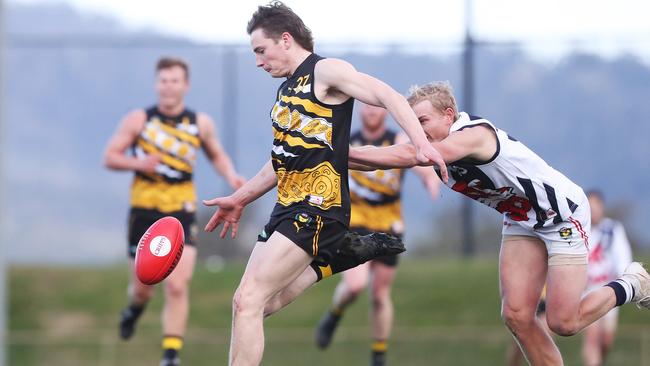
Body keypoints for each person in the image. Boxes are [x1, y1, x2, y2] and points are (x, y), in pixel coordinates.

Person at [201, 3, 448, 365]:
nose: (258, 61)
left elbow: (387, 96)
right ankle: (331, 261)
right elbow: (281, 158)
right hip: (286, 207)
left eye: (260, 50)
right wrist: (240, 198)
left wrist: (421, 144)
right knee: (257, 305)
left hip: (318, 207)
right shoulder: (286, 91)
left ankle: (332, 255)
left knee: (246, 302)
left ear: (285, 39)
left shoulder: (326, 70)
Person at [347, 81, 650, 365]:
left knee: (563, 322)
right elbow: (378, 156)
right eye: (411, 124)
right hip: (520, 219)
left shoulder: (474, 134)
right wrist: (331, 154)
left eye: (422, 121)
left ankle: (633, 284)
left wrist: (342, 152)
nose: (416, 131)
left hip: (561, 215)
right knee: (517, 316)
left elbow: (414, 155)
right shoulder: (434, 145)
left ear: (448, 115)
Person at [104, 57, 245, 366]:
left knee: (178, 285)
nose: (168, 86)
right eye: (163, 80)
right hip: (144, 211)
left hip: (180, 213)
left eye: (174, 80)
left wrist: (232, 176)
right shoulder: (139, 120)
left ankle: (170, 355)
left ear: (186, 85)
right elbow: (110, 157)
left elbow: (217, 155)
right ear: (157, 85)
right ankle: (134, 309)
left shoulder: (200, 123)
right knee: (143, 288)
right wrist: (137, 163)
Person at [314, 103, 440, 366]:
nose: (372, 113)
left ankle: (378, 354)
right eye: (368, 109)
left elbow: (418, 159)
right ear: (360, 112)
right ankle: (334, 313)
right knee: (355, 285)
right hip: (354, 221)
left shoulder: (396, 140)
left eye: (377, 109)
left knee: (380, 294)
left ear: (385, 113)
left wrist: (429, 178)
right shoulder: (349, 141)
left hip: (388, 223)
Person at [581, 190, 633, 366]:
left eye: (596, 207)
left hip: (609, 288)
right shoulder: (579, 229)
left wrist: (626, 279)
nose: (593, 211)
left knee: (606, 340)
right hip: (587, 290)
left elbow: (622, 255)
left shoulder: (612, 230)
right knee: (592, 336)